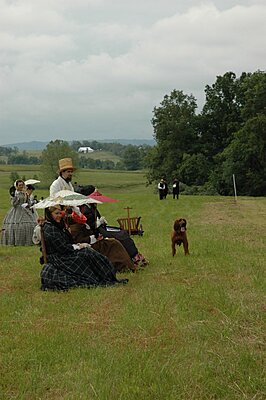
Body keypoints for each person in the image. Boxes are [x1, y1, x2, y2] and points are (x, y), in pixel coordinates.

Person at [39, 206, 128, 291]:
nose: (59, 215)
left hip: (65, 253)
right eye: (56, 213)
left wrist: (69, 234)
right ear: (50, 214)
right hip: (59, 257)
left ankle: (108, 277)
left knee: (88, 252)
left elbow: (68, 241)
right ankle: (101, 279)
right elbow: (62, 248)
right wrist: (78, 246)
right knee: (86, 254)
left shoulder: (57, 226)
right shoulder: (50, 229)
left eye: (60, 213)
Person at [68, 213, 137, 273]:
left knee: (114, 242)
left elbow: (89, 232)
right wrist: (95, 238)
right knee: (113, 243)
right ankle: (123, 266)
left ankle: (126, 265)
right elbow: (79, 240)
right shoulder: (75, 227)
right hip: (88, 245)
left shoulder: (81, 224)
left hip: (94, 241)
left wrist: (97, 235)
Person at [1, 179, 37, 246]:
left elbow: (28, 202)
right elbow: (13, 204)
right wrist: (16, 197)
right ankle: (15, 241)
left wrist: (27, 203)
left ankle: (29, 241)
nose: (21, 186)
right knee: (16, 225)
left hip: (25, 210)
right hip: (16, 211)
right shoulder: (14, 193)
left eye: (22, 185)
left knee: (30, 225)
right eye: (20, 185)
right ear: (16, 186)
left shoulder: (25, 193)